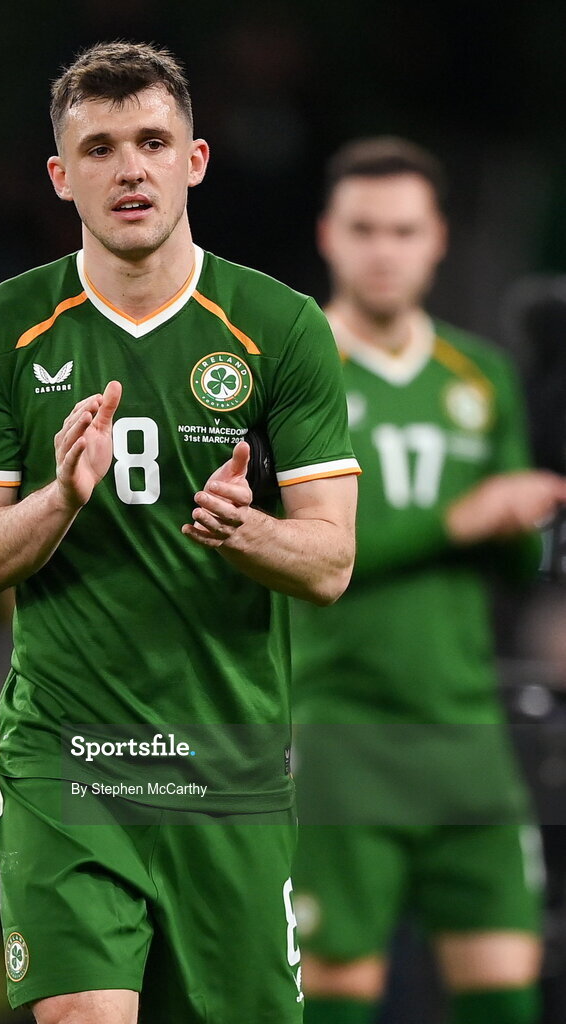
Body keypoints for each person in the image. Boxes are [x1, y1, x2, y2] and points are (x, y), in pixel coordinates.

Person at [0, 41, 360, 1024]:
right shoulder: (0, 330)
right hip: (66, 758)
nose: (128, 167)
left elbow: (330, 561)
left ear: (194, 160)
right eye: (98, 148)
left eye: (151, 141)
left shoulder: (280, 326)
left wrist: (242, 530)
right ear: (60, 175)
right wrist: (58, 501)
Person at [290, 137, 566, 1024]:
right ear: (329, 235)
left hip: (463, 726)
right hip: (337, 731)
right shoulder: (291, 369)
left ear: (437, 238)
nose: (384, 250)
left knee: (506, 984)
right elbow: (293, 550)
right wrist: (460, 519)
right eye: (365, 229)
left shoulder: (480, 375)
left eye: (404, 230)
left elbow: (518, 562)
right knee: (336, 993)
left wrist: (529, 521)